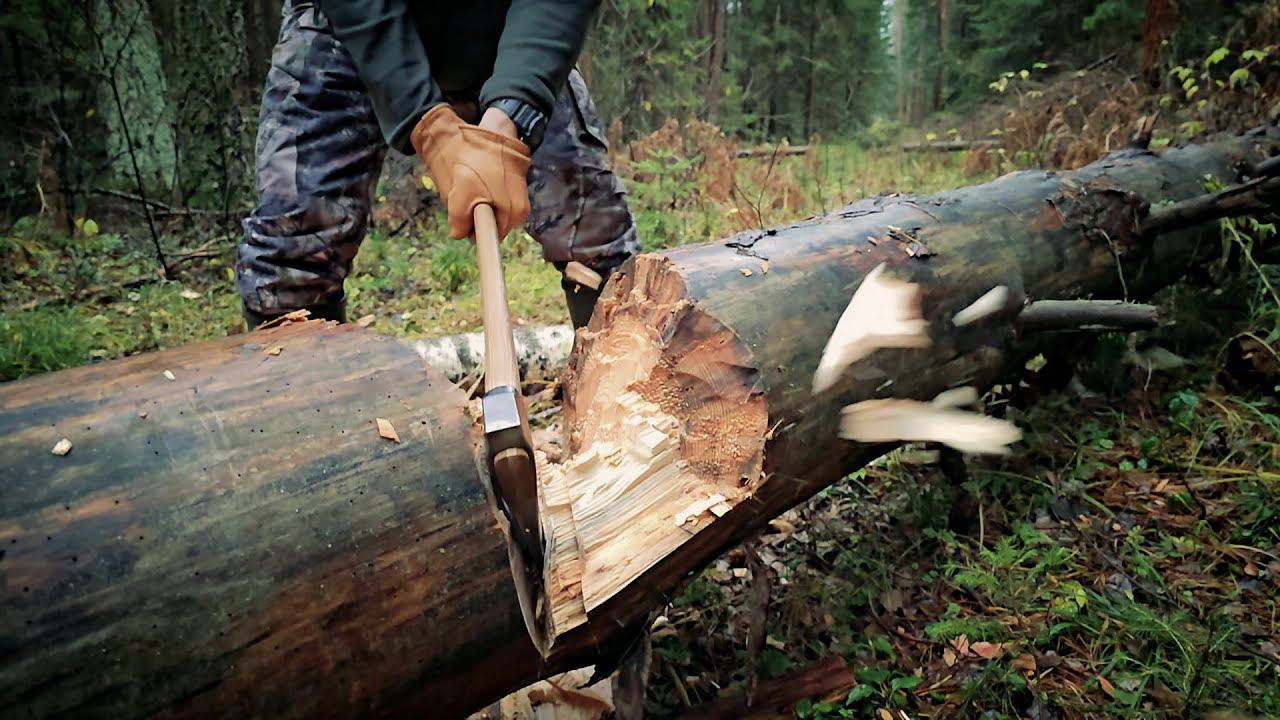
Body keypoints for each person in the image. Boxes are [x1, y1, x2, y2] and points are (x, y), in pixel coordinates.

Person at [236, 0, 639, 330]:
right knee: (290, 260)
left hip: (512, 34)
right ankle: (301, 418)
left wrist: (513, 112)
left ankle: (624, 408)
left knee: (599, 242)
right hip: (349, 28)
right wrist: (431, 130)